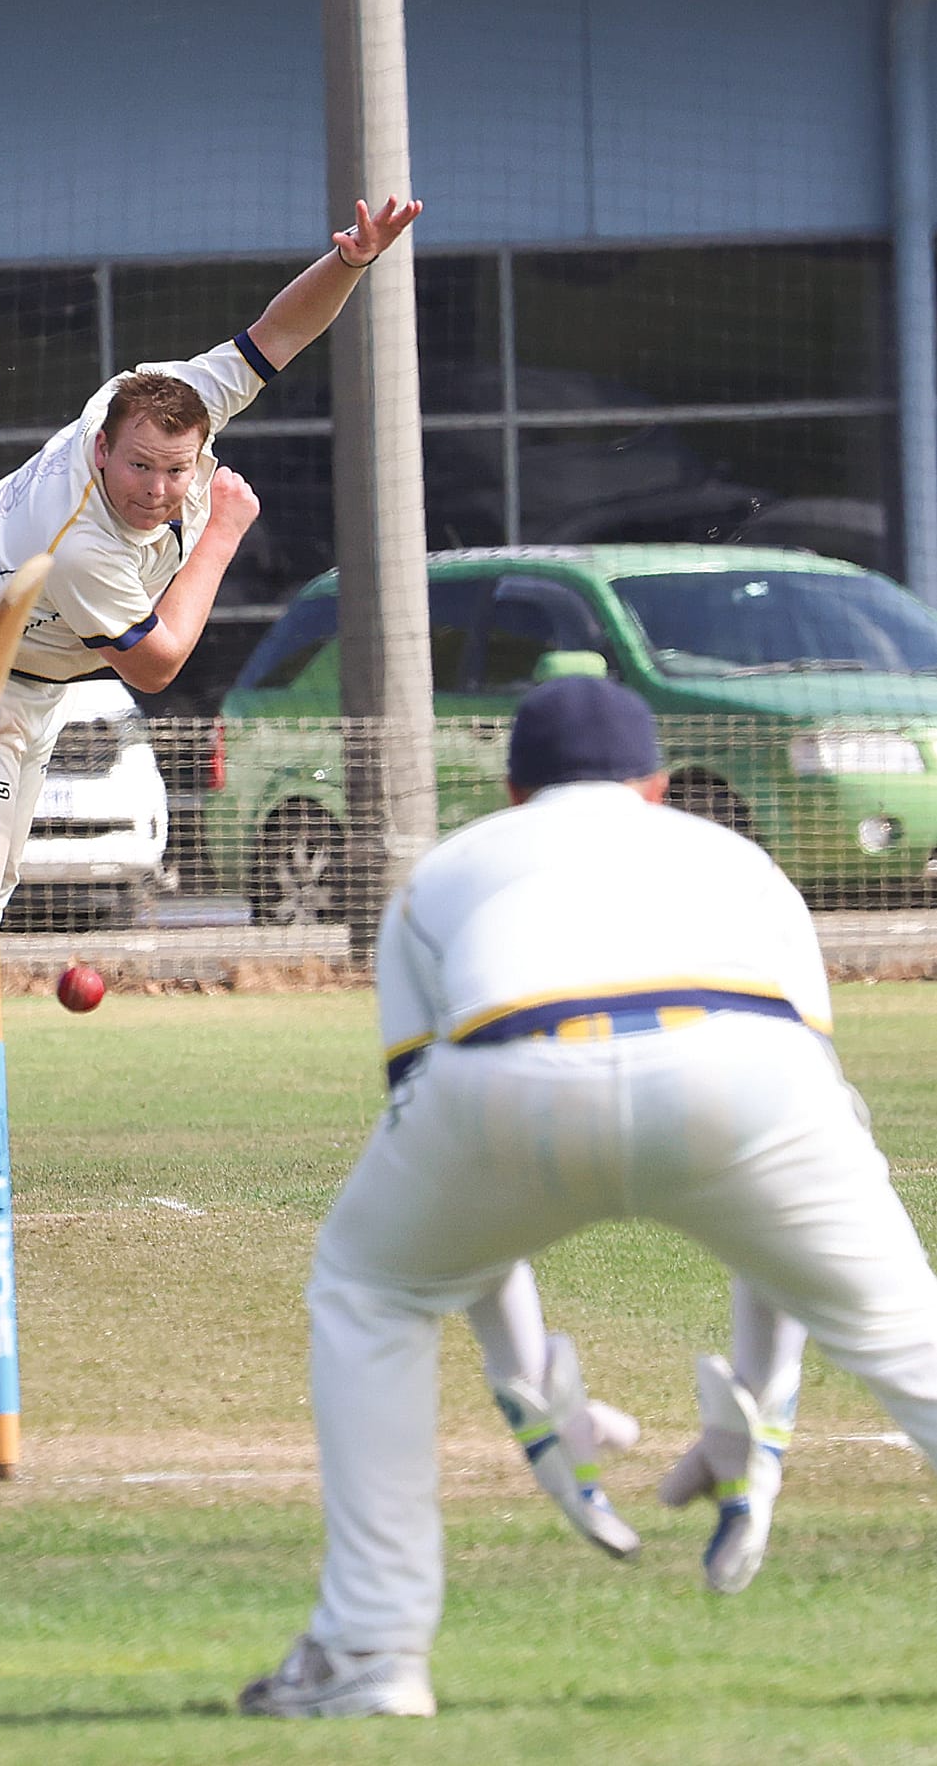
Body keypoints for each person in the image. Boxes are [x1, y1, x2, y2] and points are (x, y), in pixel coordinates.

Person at [238, 675, 937, 1720]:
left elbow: (446, 1189)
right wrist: (756, 1420)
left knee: (369, 1289)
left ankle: (369, 1649)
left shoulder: (441, 874)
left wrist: (532, 1402)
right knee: (904, 1333)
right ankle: (363, 1646)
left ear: (512, 791)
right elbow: (787, 1196)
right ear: (655, 786)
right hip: (743, 1066)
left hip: (512, 1072)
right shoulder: (740, 864)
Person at [0, 197, 422, 1220]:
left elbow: (274, 335)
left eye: (175, 472)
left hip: (34, 680)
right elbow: (155, 665)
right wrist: (223, 529)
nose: (155, 488)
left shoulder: (172, 396)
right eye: (138, 467)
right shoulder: (82, 541)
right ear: (101, 446)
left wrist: (352, 266)